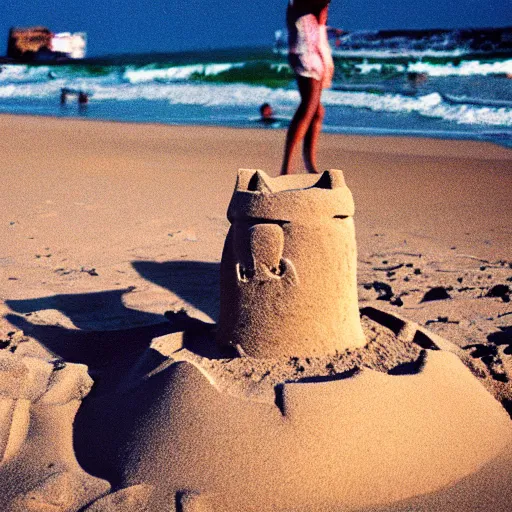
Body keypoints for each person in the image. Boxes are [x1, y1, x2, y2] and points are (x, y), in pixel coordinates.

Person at [281, 0, 334, 175]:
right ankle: (288, 168)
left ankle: (309, 164)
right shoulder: (300, 5)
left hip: (315, 54)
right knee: (308, 109)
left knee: (317, 112)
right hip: (306, 54)